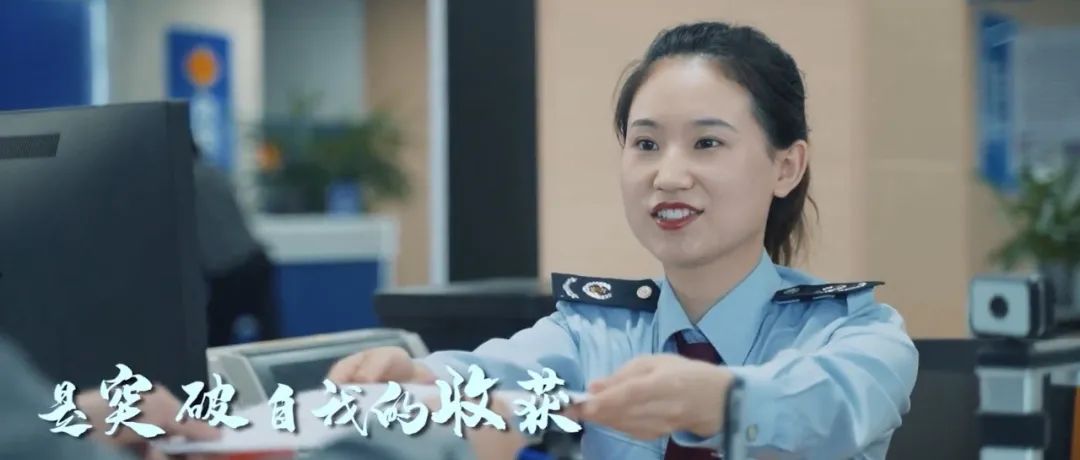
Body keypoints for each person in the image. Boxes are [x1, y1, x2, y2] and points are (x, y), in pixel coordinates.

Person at [328, 21, 919, 459]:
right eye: (646, 144)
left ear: (786, 167)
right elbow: (492, 373)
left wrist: (716, 400)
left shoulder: (857, 333)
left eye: (707, 143)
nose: (668, 175)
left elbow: (830, 407)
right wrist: (415, 380)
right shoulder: (591, 333)